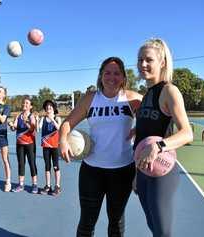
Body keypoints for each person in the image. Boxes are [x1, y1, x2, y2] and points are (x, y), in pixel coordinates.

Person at [59, 57, 142, 237]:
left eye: (117, 73)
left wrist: (140, 128)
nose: (112, 77)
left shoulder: (133, 99)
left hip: (122, 171)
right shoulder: (91, 99)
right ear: (101, 76)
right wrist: (63, 141)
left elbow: (157, 118)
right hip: (92, 172)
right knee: (87, 222)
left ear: (123, 77)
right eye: (107, 73)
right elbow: (67, 124)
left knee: (116, 222)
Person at [134, 38, 193, 237]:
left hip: (162, 171)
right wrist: (136, 173)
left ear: (163, 62)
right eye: (140, 59)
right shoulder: (146, 95)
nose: (143, 64)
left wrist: (159, 145)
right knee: (152, 225)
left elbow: (187, 133)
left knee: (162, 232)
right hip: (142, 171)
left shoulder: (169, 91)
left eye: (148, 60)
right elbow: (146, 132)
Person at [9, 97, 38, 194]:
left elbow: (32, 129)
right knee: (21, 164)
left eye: (26, 103)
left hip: (30, 144)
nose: (24, 104)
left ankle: (34, 184)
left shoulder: (32, 116)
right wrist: (12, 126)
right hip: (20, 144)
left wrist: (26, 121)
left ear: (30, 106)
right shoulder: (18, 116)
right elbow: (14, 128)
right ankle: (21, 184)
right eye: (23, 103)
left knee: (32, 163)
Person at [39, 99, 62, 196]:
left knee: (56, 166)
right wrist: (36, 121)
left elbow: (59, 128)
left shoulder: (57, 118)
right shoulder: (43, 119)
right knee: (47, 166)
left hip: (55, 146)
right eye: (47, 106)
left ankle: (57, 186)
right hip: (46, 146)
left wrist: (52, 119)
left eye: (50, 106)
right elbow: (38, 128)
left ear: (53, 108)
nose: (48, 107)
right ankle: (48, 185)